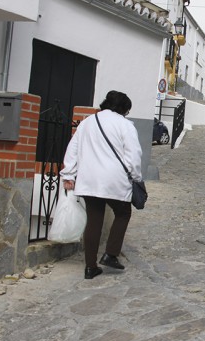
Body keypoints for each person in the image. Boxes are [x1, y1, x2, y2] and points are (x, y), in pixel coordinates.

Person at [60, 91, 143, 279]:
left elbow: (72, 149)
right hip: (114, 179)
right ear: (123, 109)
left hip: (88, 178)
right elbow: (134, 155)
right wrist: (136, 177)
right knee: (123, 213)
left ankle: (90, 267)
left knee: (94, 219)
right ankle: (110, 254)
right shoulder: (125, 125)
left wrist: (69, 174)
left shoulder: (87, 122)